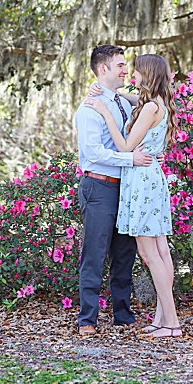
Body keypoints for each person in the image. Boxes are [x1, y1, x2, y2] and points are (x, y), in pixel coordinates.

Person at [85, 53, 181, 338]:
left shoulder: (151, 107)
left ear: (147, 74)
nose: (130, 74)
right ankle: (164, 319)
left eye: (135, 70)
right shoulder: (156, 103)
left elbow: (125, 146)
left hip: (141, 182)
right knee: (161, 251)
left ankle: (171, 322)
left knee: (150, 254)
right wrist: (105, 94)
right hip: (151, 179)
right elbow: (126, 98)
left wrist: (104, 111)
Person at [74, 45, 153, 336]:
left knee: (125, 254)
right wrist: (129, 158)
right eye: (120, 65)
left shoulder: (120, 102)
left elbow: (150, 103)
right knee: (94, 254)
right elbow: (93, 154)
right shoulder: (88, 110)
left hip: (127, 189)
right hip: (99, 187)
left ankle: (123, 315)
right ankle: (88, 321)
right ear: (103, 69)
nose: (125, 70)